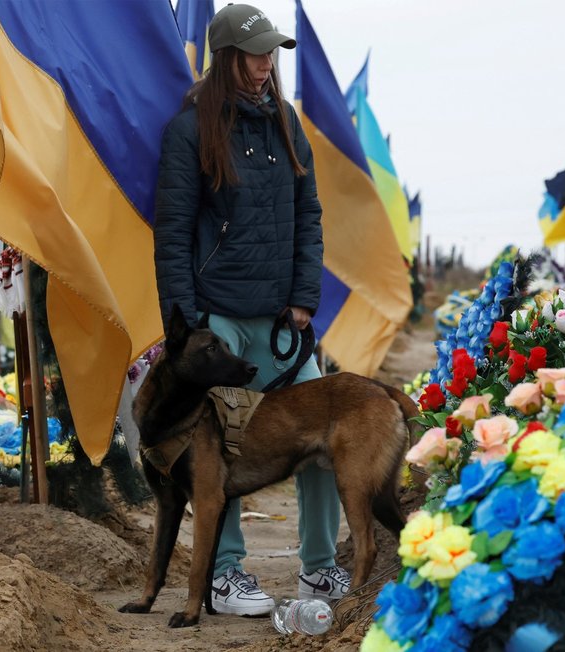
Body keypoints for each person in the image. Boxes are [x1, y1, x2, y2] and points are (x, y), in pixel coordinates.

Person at [153, 3, 351, 616]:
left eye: (272, 53)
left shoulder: (287, 124)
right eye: (257, 53)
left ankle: (319, 570)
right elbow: (173, 232)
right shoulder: (190, 130)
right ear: (227, 57)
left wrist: (303, 298)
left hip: (281, 322)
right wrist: (188, 328)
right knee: (221, 454)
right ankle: (227, 574)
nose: (267, 64)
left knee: (324, 438)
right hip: (219, 324)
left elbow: (309, 215)